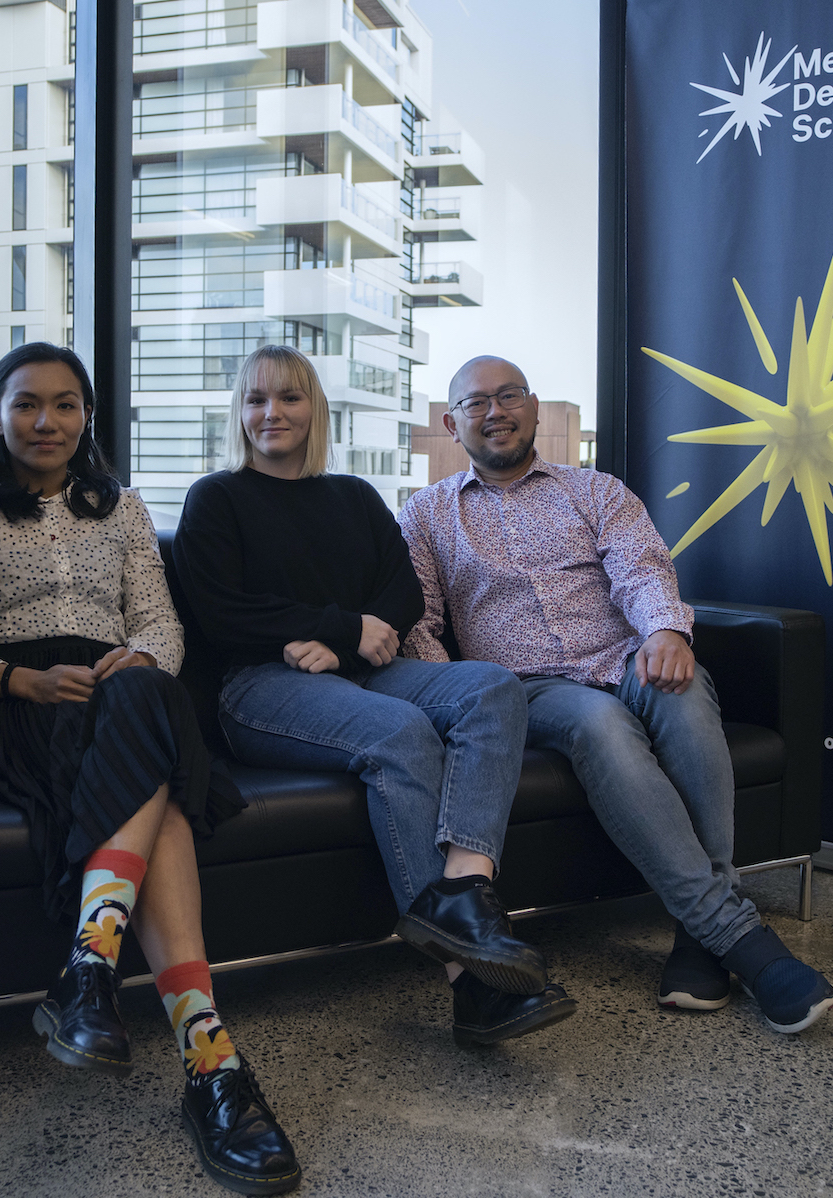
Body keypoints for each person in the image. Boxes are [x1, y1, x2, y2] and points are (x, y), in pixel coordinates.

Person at [0, 343, 299, 1196]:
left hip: (117, 696)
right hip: (15, 709)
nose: (46, 422)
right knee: (156, 772)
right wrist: (20, 678)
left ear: (87, 416)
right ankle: (211, 1067)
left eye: (66, 404)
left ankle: (92, 972)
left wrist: (140, 658)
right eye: (26, 404)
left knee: (147, 695)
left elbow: (162, 625)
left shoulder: (121, 511)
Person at [398, 356, 833, 1034]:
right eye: (476, 402)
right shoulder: (427, 517)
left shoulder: (595, 490)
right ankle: (747, 942)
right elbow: (419, 625)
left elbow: (641, 566)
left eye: (509, 394)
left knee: (684, 687)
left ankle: (701, 937)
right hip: (529, 688)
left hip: (625, 655)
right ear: (453, 424)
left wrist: (664, 630)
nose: (496, 410)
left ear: (536, 408)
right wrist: (457, 697)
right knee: (602, 724)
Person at [172, 344, 575, 1048]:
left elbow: (403, 592)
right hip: (259, 688)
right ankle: (469, 982)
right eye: (256, 399)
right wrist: (339, 627)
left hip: (358, 672)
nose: (272, 412)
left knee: (491, 687)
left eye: (290, 398)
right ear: (238, 413)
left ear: (315, 409)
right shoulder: (218, 497)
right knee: (400, 732)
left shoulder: (352, 496)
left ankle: (465, 893)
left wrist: (345, 640)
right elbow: (222, 611)